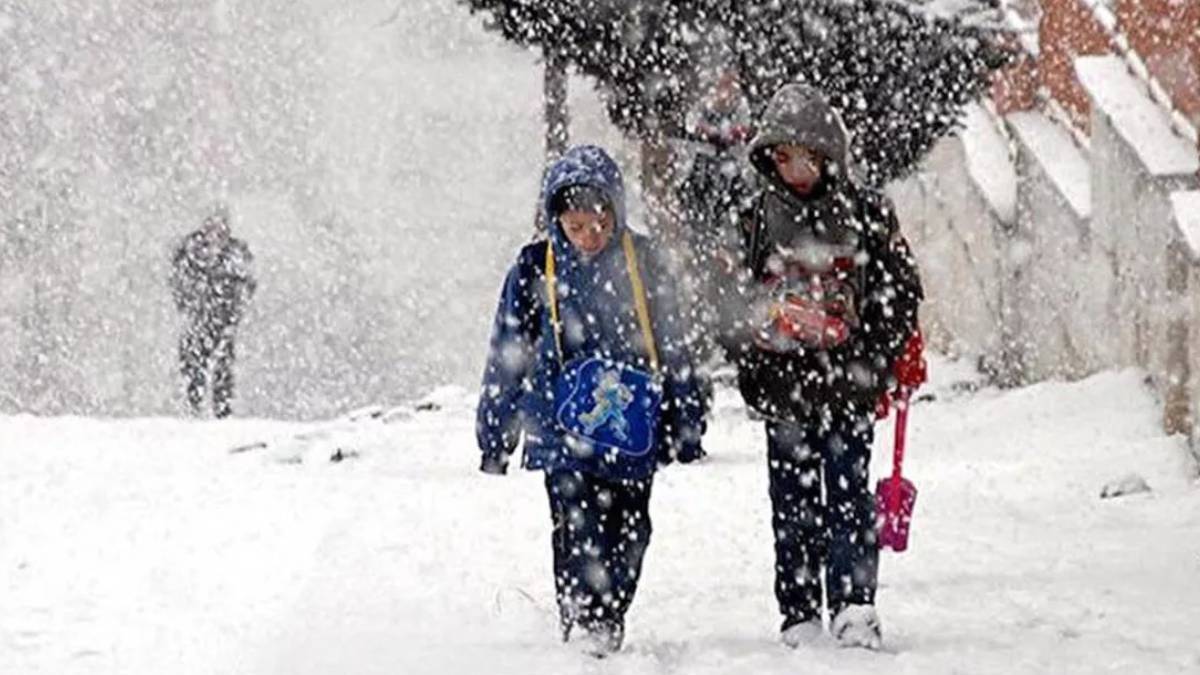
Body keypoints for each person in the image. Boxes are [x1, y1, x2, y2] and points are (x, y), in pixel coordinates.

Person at [716, 84, 926, 649]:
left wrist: (874, 353)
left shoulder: (866, 211)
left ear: (829, 154)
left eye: (805, 157)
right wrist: (757, 343)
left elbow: (900, 290)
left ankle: (856, 604)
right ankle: (800, 609)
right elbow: (727, 297)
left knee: (849, 495)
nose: (795, 170)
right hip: (783, 387)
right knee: (793, 500)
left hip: (850, 383)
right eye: (782, 158)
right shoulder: (755, 216)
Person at [476, 145, 706, 657]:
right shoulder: (536, 266)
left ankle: (611, 610)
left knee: (631, 527)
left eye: (599, 224)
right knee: (574, 522)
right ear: (557, 219)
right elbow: (508, 351)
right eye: (576, 227)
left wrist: (687, 418)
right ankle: (582, 616)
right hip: (559, 425)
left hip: (632, 425)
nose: (588, 237)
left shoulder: (643, 262)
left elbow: (674, 342)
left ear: (616, 214)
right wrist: (496, 432)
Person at [170, 203, 256, 418]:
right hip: (198, 317)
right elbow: (178, 281)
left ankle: (221, 410)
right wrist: (189, 301)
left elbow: (246, 283)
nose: (215, 232)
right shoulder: (190, 251)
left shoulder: (235, 254)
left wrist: (235, 308)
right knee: (193, 362)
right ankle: (193, 406)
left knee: (223, 365)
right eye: (211, 225)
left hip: (224, 318)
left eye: (220, 226)